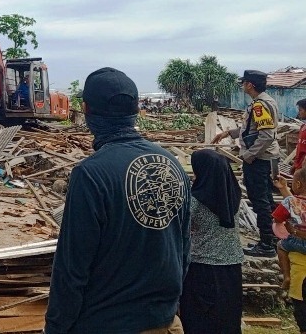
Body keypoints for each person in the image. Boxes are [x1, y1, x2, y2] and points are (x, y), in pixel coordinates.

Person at [45, 67, 190, 334]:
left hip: (107, 323)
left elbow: (71, 268)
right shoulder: (171, 164)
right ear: (135, 110)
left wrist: (56, 327)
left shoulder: (91, 174)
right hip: (165, 323)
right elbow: (183, 249)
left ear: (86, 110)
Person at [213, 69, 281, 257]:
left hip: (259, 159)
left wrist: (249, 155)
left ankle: (267, 244)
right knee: (266, 199)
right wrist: (228, 133)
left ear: (250, 84)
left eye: (244, 83)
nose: (242, 86)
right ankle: (274, 238)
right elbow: (250, 129)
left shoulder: (260, 105)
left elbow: (266, 135)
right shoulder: (266, 101)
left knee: (260, 201)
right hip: (266, 158)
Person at [179, 149, 243, 334]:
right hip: (232, 266)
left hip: (202, 268)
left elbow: (182, 229)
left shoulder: (196, 201)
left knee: (199, 320)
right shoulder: (234, 197)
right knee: (227, 318)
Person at [272, 169, 306, 289]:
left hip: (296, 242)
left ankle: (286, 276)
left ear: (298, 185)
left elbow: (277, 218)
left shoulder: (290, 201)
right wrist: (284, 188)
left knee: (281, 246)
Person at [294, 99, 306, 172]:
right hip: (299, 168)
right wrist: (295, 165)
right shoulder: (302, 127)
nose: (299, 113)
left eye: (300, 110)